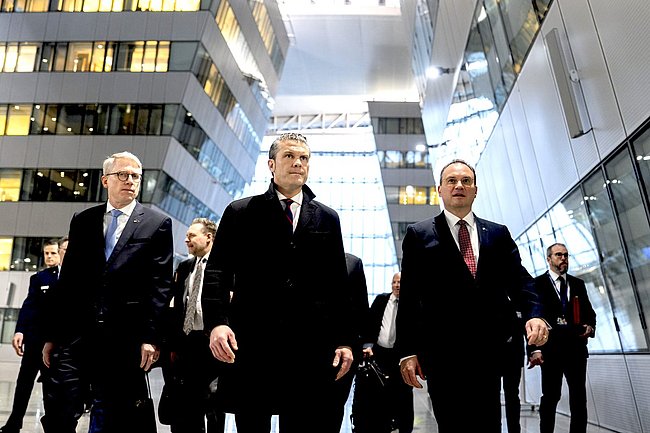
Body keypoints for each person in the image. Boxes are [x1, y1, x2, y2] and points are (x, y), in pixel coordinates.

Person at [203, 132, 353, 433]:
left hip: (308, 348)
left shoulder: (328, 218)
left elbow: (338, 285)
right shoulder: (241, 212)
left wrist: (345, 339)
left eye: (303, 158)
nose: (298, 163)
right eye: (289, 156)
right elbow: (217, 272)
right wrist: (217, 323)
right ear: (271, 164)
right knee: (251, 423)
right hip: (253, 343)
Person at [396, 159, 549, 432]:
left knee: (488, 424)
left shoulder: (497, 234)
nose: (459, 186)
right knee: (452, 425)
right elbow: (409, 297)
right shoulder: (419, 234)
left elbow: (520, 280)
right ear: (440, 190)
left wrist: (534, 314)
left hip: (489, 353)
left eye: (466, 181)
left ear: (475, 190)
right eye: (452, 181)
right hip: (443, 355)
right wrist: (407, 351)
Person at [43, 151, 174, 433]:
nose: (130, 181)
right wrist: (52, 335)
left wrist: (151, 337)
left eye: (136, 176)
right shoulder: (83, 220)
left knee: (110, 414)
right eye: (122, 175)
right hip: (77, 335)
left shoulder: (157, 223)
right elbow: (68, 281)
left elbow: (160, 286)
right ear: (105, 180)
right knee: (60, 409)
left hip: (124, 338)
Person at [162, 217, 225, 433]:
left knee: (214, 405)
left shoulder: (224, 266)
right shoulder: (184, 267)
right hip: (188, 345)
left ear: (208, 237)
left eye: (191, 235)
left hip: (213, 344)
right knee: (188, 406)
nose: (186, 239)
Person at [527, 243, 596, 433]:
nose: (563, 258)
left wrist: (590, 326)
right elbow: (531, 319)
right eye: (558, 255)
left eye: (566, 255)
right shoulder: (537, 285)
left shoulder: (578, 284)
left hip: (576, 350)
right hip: (550, 351)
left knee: (579, 398)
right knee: (550, 397)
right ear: (548, 259)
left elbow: (590, 313)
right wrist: (534, 349)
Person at [0, 239, 61, 433]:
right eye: (46, 253)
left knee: (51, 388)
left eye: (53, 253)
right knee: (23, 383)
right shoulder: (39, 278)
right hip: (35, 341)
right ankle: (14, 423)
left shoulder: (68, 278)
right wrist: (20, 331)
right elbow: (29, 306)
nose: (49, 257)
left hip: (57, 344)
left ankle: (52, 426)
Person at [358, 272, 413, 433]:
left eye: (400, 282)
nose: (397, 285)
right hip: (380, 354)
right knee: (380, 393)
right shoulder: (381, 300)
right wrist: (368, 345)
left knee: (403, 394)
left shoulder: (411, 304)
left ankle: (404, 428)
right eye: (394, 282)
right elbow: (369, 325)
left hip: (400, 356)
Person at [327, 252, 370, 432]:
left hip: (342, 352)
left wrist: (356, 345)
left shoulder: (352, 263)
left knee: (332, 412)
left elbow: (361, 309)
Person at [499, 312, 525, 433]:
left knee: (512, 394)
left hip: (514, 354)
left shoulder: (518, 302)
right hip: (496, 352)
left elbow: (524, 325)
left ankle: (514, 430)